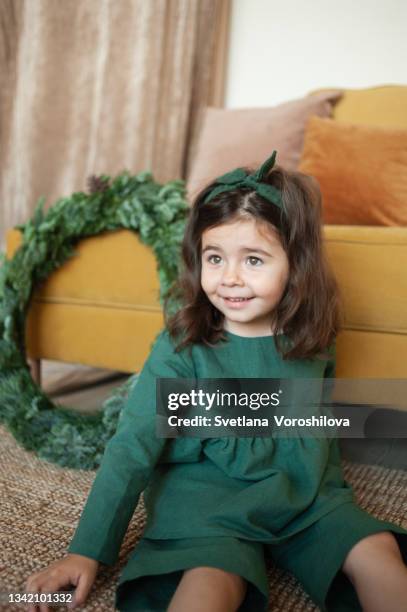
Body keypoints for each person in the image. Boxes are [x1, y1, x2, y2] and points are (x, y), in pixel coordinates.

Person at [25, 152, 407, 612]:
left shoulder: (315, 340)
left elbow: (316, 425)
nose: (229, 278)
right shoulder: (181, 347)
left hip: (302, 494)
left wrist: (331, 503)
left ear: (296, 265)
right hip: (208, 499)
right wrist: (86, 549)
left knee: (376, 550)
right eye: (214, 257)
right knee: (213, 579)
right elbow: (133, 444)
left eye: (253, 260)